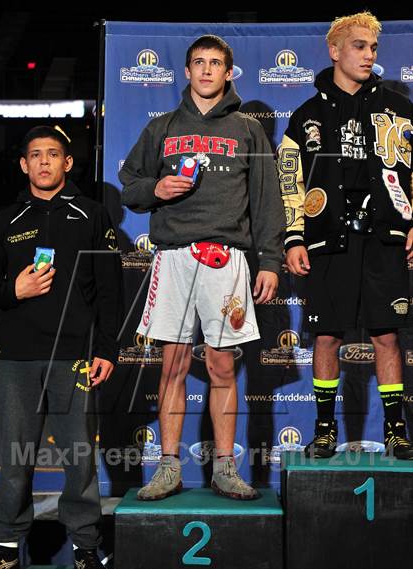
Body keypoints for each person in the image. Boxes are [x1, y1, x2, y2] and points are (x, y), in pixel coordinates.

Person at [120, 35, 285, 500]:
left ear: (229, 72)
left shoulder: (248, 130)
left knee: (222, 368)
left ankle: (225, 467)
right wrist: (157, 188)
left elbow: (268, 202)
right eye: (199, 62)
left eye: (216, 63)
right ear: (187, 71)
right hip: (173, 257)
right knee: (171, 366)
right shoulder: (163, 127)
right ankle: (169, 466)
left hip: (228, 259)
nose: (207, 70)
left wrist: (269, 260)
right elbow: (130, 183)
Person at [278, 11, 413, 459]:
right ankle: (323, 429)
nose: (369, 55)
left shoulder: (399, 109)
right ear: (334, 51)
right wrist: (294, 237)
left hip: (384, 238)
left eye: (374, 48)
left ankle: (396, 430)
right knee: (327, 337)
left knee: (387, 337)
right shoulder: (306, 116)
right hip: (329, 240)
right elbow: (289, 181)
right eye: (359, 46)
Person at [0, 126, 122, 568]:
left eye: (53, 154)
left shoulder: (92, 215)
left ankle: (86, 548)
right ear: (24, 164)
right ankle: (7, 548)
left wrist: (107, 350)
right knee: (15, 461)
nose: (44, 162)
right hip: (17, 359)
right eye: (35, 155)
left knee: (79, 461)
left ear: (68, 163)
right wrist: (15, 289)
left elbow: (110, 291)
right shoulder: (3, 220)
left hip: (76, 358)